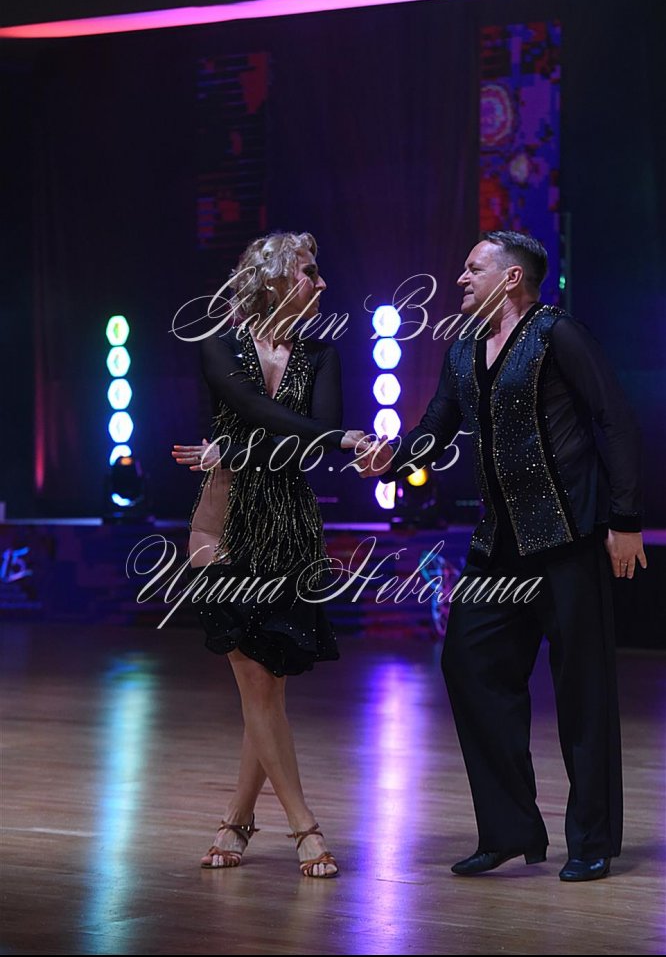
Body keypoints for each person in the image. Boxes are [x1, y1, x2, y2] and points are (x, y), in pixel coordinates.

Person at [356, 231, 646, 882]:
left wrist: (625, 519)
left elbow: (615, 419)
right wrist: (392, 461)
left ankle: (591, 840)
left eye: (473, 268)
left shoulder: (556, 334)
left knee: (583, 692)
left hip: (568, 538)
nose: (460, 278)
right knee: (467, 664)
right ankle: (509, 829)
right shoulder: (462, 349)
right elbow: (435, 429)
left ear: (512, 278)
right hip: (498, 547)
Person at [172, 231, 365, 878]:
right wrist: (338, 438)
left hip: (288, 530)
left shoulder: (322, 354)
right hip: (223, 526)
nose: (321, 282)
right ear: (278, 278)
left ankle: (236, 819)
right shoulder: (221, 343)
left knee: (268, 688)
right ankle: (305, 827)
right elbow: (255, 408)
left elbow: (310, 443)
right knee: (256, 683)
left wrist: (238, 448)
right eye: (310, 271)